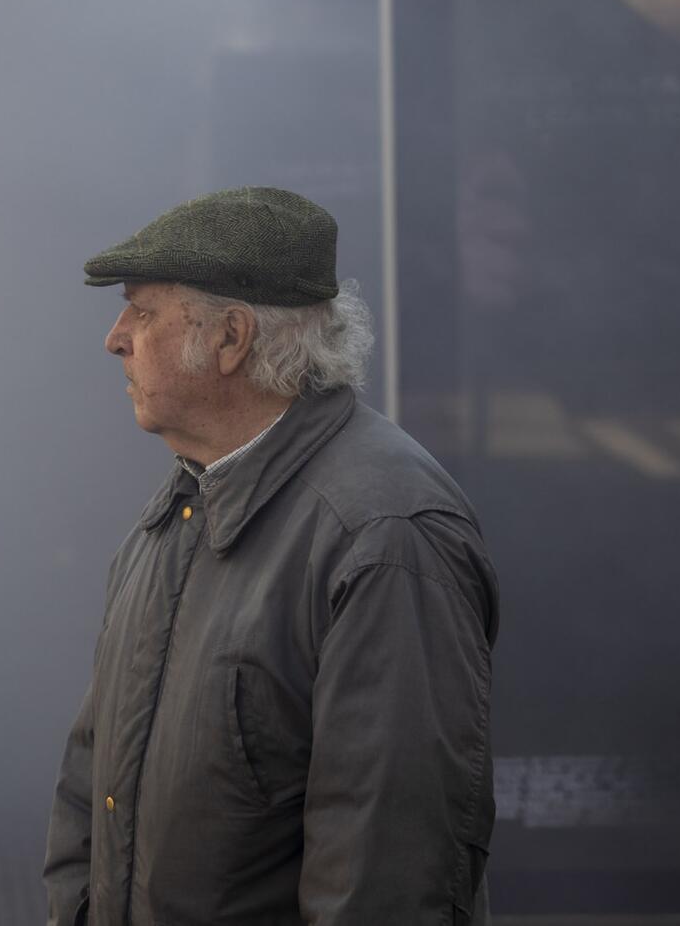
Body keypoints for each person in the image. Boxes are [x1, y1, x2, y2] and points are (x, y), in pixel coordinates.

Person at [44, 187, 501, 926]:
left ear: (231, 338)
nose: (116, 337)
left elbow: (388, 879)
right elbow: (88, 792)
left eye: (144, 311)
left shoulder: (385, 535)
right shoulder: (180, 507)